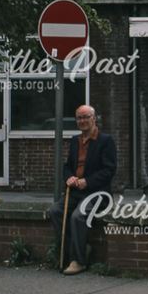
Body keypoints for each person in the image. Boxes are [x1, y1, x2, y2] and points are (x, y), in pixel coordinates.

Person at [50, 104, 117, 275]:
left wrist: (87, 181)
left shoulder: (105, 141)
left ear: (94, 119)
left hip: (97, 193)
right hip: (76, 191)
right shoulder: (75, 141)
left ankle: (78, 261)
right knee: (55, 211)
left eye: (86, 117)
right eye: (79, 118)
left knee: (78, 216)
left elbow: (109, 170)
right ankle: (71, 251)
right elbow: (67, 166)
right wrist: (69, 177)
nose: (82, 121)